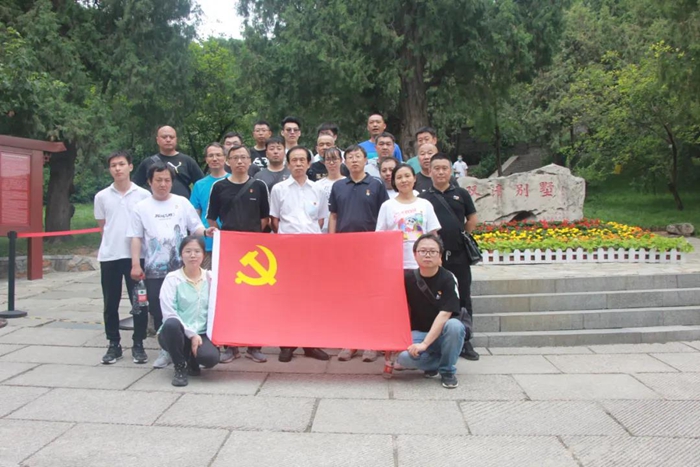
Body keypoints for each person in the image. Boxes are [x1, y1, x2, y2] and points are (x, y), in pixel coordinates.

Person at [128, 163, 217, 369]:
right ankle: (166, 349)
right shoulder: (141, 207)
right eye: (158, 180)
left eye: (167, 180)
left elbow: (195, 226)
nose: (163, 184)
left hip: (183, 269)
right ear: (149, 182)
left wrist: (206, 232)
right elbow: (136, 237)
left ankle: (191, 341)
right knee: (159, 309)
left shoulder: (181, 203)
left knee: (187, 304)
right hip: (154, 270)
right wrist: (135, 264)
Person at [207, 144, 270, 363]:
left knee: (255, 299)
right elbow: (211, 218)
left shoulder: (259, 186)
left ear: (250, 160)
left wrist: (251, 239)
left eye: (244, 157)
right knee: (229, 299)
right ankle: (230, 346)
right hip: (229, 251)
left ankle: (254, 346)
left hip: (255, 252)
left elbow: (265, 218)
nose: (240, 161)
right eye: (235, 158)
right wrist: (225, 238)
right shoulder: (219, 187)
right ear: (228, 161)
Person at [269, 146, 330, 362]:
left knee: (311, 297)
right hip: (287, 251)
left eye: (302, 160)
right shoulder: (279, 189)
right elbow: (274, 220)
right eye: (293, 160)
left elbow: (320, 220)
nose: (298, 164)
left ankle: (310, 344)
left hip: (311, 250)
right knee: (288, 298)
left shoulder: (318, 190)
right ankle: (287, 344)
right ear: (288, 164)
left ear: (309, 163)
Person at [329, 144, 389, 362]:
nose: (354, 160)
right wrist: (332, 242)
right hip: (345, 249)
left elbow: (384, 216)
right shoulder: (338, 186)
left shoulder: (376, 185)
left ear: (365, 160)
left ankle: (371, 342)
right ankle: (350, 341)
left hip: (371, 249)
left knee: (370, 295)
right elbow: (333, 216)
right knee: (349, 296)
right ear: (345, 162)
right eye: (350, 157)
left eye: (358, 156)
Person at [419, 153, 479, 361]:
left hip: (458, 256)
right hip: (433, 258)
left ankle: (466, 340)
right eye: (436, 168)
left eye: (444, 168)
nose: (441, 172)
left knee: (463, 297)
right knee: (433, 298)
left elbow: (472, 219)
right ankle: (434, 339)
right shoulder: (424, 198)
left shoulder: (461, 194)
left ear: (451, 170)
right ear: (430, 171)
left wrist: (461, 235)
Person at [94, 150, 151, 364]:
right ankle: (113, 344)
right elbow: (103, 226)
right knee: (110, 303)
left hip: (137, 258)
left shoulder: (143, 195)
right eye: (113, 165)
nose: (117, 169)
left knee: (139, 303)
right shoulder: (102, 196)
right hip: (110, 256)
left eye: (121, 164)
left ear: (130, 166)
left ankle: (139, 343)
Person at [395, 233, 466, 389]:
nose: (427, 255)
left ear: (440, 256)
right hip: (418, 333)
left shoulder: (448, 278)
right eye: (423, 251)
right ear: (415, 254)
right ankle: (436, 363)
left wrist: (425, 344)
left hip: (443, 335)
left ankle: (447, 371)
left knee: (455, 326)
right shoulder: (407, 278)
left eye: (432, 251)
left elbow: (445, 314)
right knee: (403, 358)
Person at [158, 236, 220, 387]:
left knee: (211, 358)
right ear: (181, 254)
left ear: (203, 254)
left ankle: (192, 360)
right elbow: (168, 313)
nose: (193, 255)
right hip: (176, 332)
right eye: (188, 251)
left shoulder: (211, 278)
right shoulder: (172, 279)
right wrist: (191, 335)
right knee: (171, 324)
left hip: (201, 332)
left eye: (197, 251)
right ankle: (180, 367)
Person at [376, 164, 441, 269]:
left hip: (422, 264)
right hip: (395, 264)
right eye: (399, 177)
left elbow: (433, 235)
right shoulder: (387, 206)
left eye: (407, 176)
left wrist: (437, 258)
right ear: (394, 181)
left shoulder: (425, 204)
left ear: (414, 178)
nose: (403, 180)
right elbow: (379, 237)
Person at [133, 126, 204, 198]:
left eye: (171, 137)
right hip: (154, 204)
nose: (168, 140)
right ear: (157, 140)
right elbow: (135, 187)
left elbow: (202, 186)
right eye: (164, 137)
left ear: (176, 140)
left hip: (182, 204)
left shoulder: (188, 161)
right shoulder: (148, 162)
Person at [189, 143, 227, 269]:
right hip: (207, 242)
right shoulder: (199, 185)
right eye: (211, 155)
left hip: (230, 240)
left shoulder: (234, 181)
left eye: (218, 155)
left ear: (225, 158)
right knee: (206, 278)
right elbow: (194, 215)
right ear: (206, 159)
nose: (214, 159)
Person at [315, 147, 346, 232]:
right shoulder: (317, 185)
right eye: (328, 159)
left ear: (341, 160)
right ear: (324, 162)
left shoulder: (348, 183)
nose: (331, 163)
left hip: (342, 226)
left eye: (335, 159)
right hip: (322, 227)